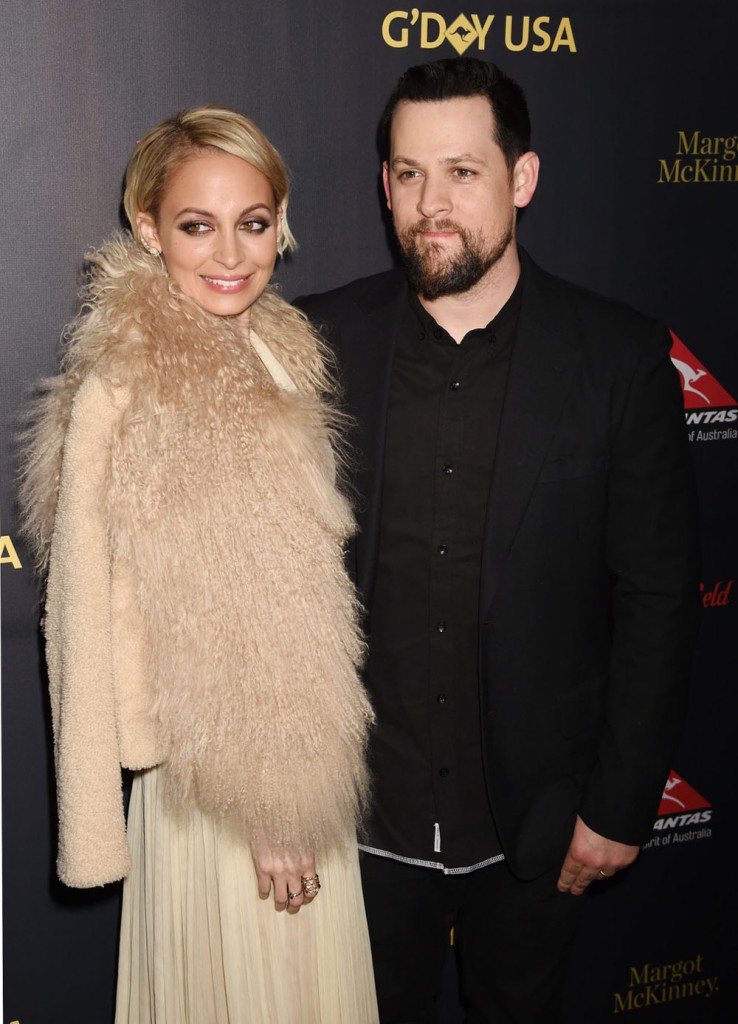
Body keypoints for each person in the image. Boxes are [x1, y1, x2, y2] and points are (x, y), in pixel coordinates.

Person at [296, 58, 700, 1023]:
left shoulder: (618, 358)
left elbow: (657, 593)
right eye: (407, 174)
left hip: (538, 831)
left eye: (463, 172)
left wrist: (618, 803)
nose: (431, 205)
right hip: (353, 831)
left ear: (522, 179)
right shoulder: (313, 345)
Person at [19, 106, 379, 1023]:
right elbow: (134, 620)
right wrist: (271, 808)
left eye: (253, 223)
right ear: (148, 229)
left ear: (280, 223)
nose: (231, 253)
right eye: (196, 225)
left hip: (291, 780)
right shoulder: (135, 381)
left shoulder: (269, 351)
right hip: (231, 798)